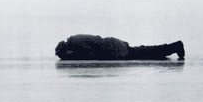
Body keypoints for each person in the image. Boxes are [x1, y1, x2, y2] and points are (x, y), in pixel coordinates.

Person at [55, 34, 185, 61]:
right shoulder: (75, 39)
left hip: (114, 50)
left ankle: (174, 47)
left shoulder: (76, 44)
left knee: (145, 53)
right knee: (144, 51)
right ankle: (174, 47)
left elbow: (89, 55)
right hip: (114, 44)